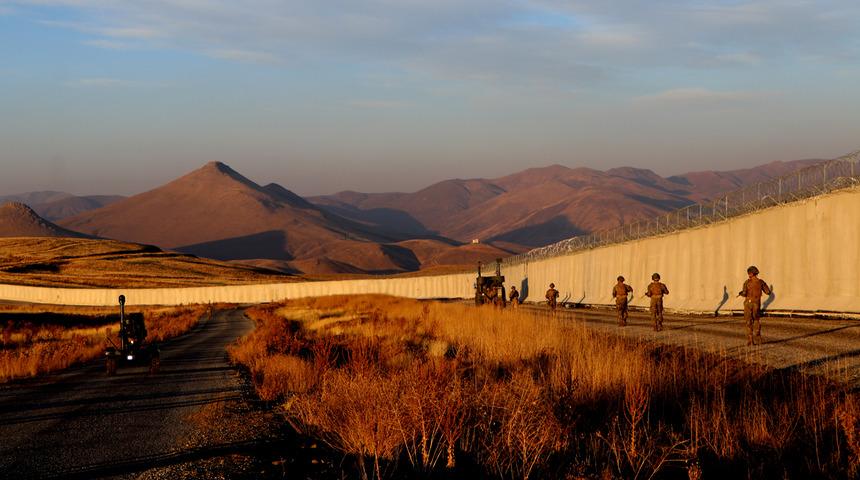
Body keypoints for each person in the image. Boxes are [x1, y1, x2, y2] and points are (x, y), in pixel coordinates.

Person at [739, 265, 771, 345]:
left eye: (749, 273)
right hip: (756, 303)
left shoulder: (747, 282)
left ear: (751, 273)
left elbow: (744, 293)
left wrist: (740, 293)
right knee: (756, 320)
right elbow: (768, 292)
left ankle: (750, 340)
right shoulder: (761, 282)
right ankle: (758, 338)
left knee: (748, 321)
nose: (748, 275)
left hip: (748, 304)